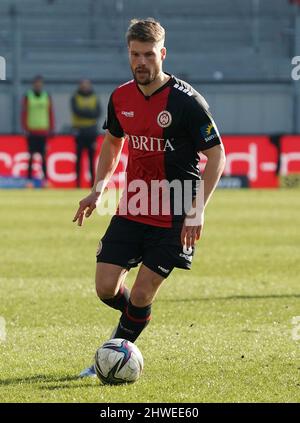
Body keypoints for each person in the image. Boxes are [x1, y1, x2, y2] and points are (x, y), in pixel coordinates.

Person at [73, 18, 226, 377]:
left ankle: (111, 356)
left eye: (148, 54)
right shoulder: (120, 97)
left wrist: (197, 210)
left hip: (175, 212)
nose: (141, 62)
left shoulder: (187, 102)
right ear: (128, 54)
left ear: (163, 53)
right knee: (105, 288)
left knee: (141, 293)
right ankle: (135, 321)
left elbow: (217, 155)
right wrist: (99, 187)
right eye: (134, 54)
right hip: (135, 204)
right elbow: (113, 141)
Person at [21, 75, 54, 186]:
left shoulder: (46, 96)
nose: (38, 85)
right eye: (36, 83)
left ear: (42, 84)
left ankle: (45, 181)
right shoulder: (28, 96)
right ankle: (29, 181)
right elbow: (24, 113)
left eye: (40, 83)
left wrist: (51, 128)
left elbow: (50, 113)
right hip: (31, 131)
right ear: (33, 84)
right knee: (31, 156)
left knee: (43, 157)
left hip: (43, 131)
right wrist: (25, 128)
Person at [71, 79, 101, 188]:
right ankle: (77, 184)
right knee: (78, 158)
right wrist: (89, 112)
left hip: (91, 132)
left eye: (86, 85)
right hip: (79, 131)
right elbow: (76, 112)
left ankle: (92, 183)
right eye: (83, 85)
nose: (85, 87)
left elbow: (98, 113)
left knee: (91, 159)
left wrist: (85, 112)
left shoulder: (94, 97)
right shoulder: (75, 97)